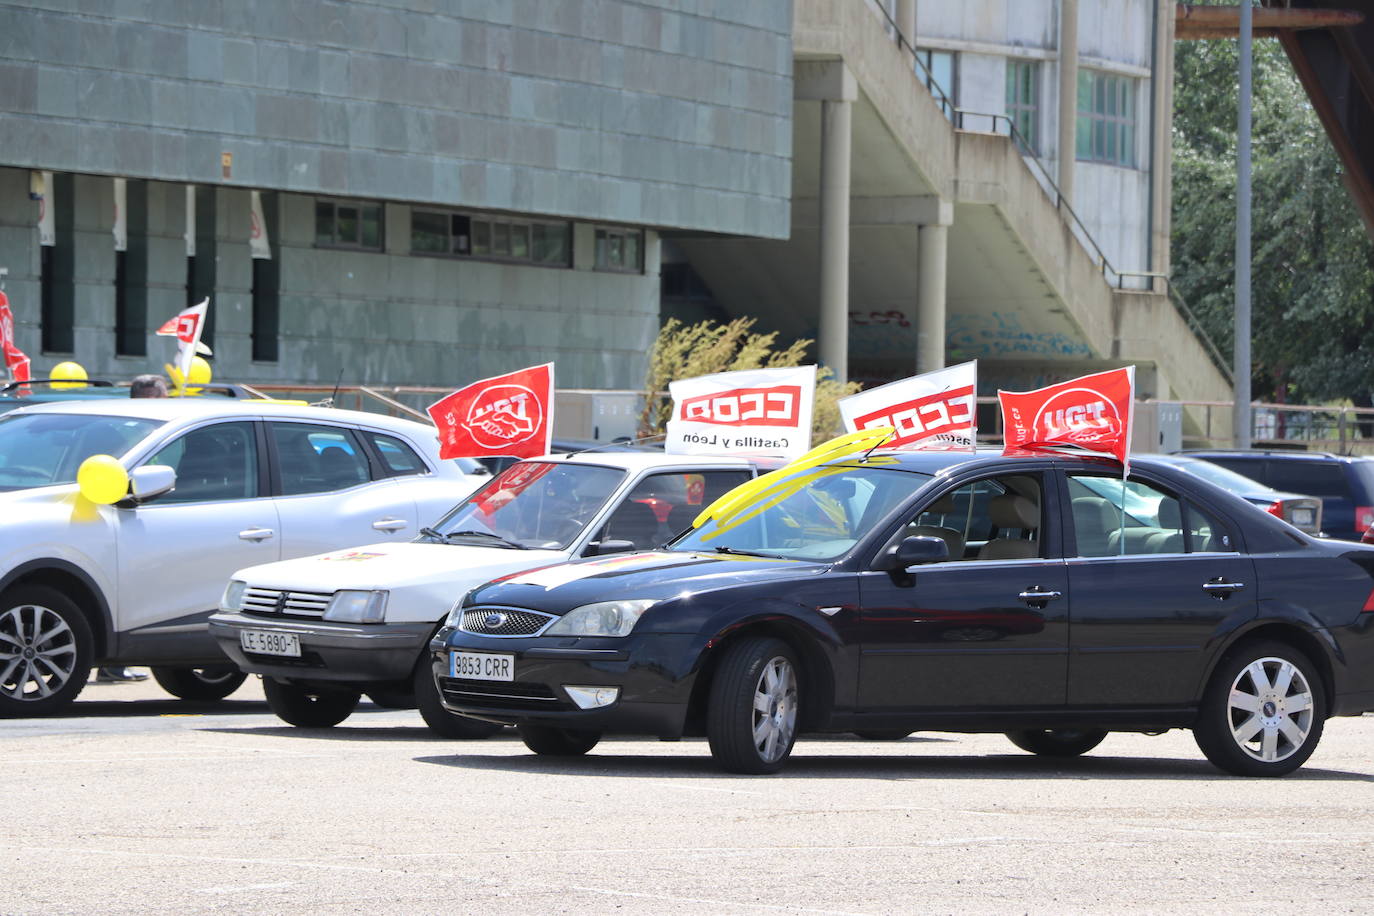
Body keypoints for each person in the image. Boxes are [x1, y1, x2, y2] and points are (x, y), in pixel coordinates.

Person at [95, 373, 167, 683]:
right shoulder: (139, 432)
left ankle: (114, 664)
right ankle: (113, 664)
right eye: (159, 398)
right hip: (123, 517)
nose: (163, 404)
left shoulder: (121, 426)